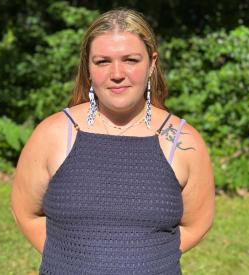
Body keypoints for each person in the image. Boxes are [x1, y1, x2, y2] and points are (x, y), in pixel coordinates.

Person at [11, 8, 215, 275]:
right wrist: (70, 260)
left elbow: (196, 224)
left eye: (130, 60)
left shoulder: (182, 141)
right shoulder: (54, 134)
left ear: (152, 63)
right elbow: (25, 213)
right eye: (103, 61)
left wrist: (150, 261)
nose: (117, 73)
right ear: (88, 66)